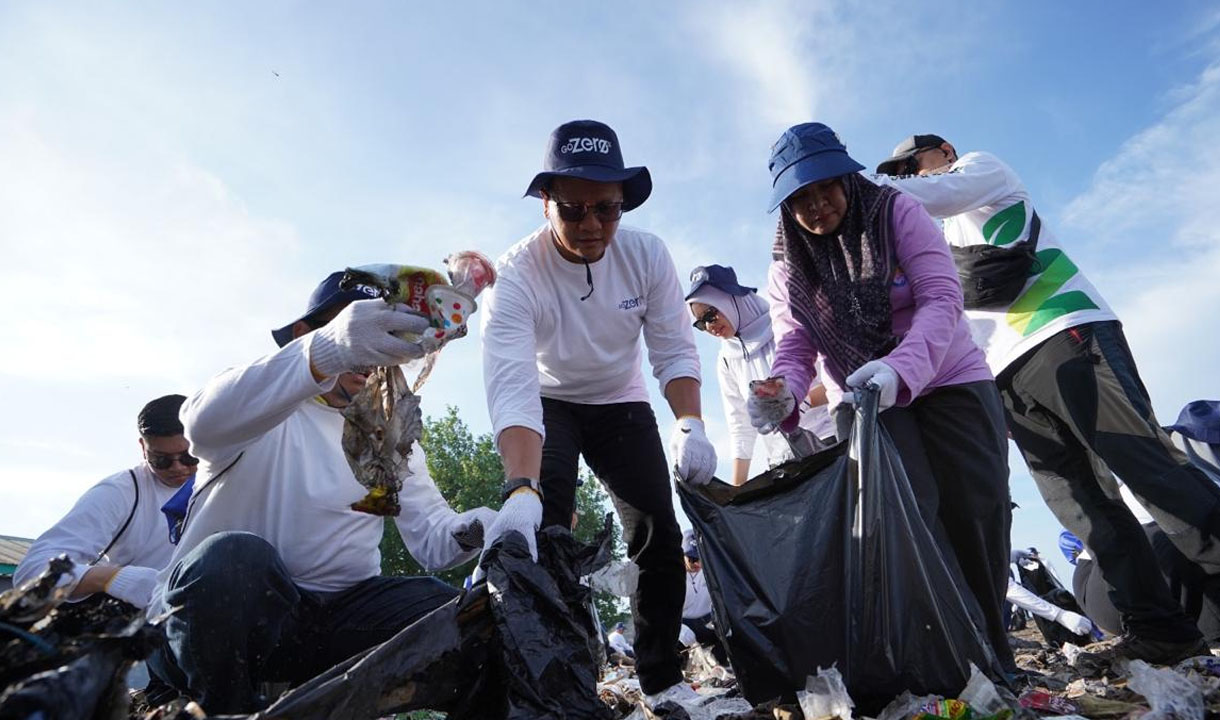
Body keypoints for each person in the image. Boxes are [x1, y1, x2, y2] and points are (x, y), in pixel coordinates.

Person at [875, 134, 1217, 663]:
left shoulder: (980, 172)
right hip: (1008, 373)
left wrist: (857, 185)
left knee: (1146, 465)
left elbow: (931, 196)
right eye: (896, 172)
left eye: (910, 164)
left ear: (942, 151)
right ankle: (1160, 628)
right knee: (1080, 504)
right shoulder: (939, 231)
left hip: (1065, 332)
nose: (907, 176)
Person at [146, 272, 497, 713]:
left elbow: (433, 540)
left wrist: (483, 528)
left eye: (386, 338)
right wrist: (330, 350)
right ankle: (224, 710)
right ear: (303, 333)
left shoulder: (390, 436)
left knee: (463, 616)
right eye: (363, 335)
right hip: (208, 629)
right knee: (233, 559)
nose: (370, 356)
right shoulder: (265, 406)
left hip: (329, 629)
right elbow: (201, 421)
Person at [748, 122, 1016, 674]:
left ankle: (996, 652)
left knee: (977, 512)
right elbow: (795, 344)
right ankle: (950, 662)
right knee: (906, 520)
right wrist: (783, 393)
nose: (818, 206)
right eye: (801, 199)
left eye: (827, 189)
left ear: (848, 179)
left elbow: (942, 298)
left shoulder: (896, 213)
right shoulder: (786, 268)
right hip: (866, 402)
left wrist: (900, 368)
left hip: (950, 378)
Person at [480, 119, 713, 709]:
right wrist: (521, 487)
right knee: (546, 527)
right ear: (545, 204)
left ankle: (661, 675)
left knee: (656, 524)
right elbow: (511, 382)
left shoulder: (647, 255)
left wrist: (690, 424)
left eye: (606, 210)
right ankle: (556, 679)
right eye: (573, 209)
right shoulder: (515, 275)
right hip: (549, 401)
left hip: (620, 398)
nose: (591, 226)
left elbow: (673, 347)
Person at [15, 395, 195, 609]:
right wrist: (113, 578)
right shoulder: (119, 492)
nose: (177, 468)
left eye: (189, 456)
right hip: (140, 622)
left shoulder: (236, 482)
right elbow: (31, 572)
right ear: (142, 448)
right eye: (160, 460)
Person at [686, 264, 835, 484]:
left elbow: (840, 381)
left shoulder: (787, 325)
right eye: (700, 323)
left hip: (829, 444)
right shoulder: (726, 360)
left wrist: (803, 400)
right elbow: (740, 426)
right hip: (784, 464)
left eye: (711, 314)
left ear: (731, 299)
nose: (709, 326)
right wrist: (736, 492)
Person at [679, 531, 729, 666]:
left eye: (701, 558)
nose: (697, 564)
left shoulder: (712, 570)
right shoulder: (673, 574)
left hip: (708, 621)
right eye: (692, 558)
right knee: (675, 645)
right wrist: (677, 627)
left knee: (728, 637)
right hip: (683, 624)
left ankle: (722, 669)